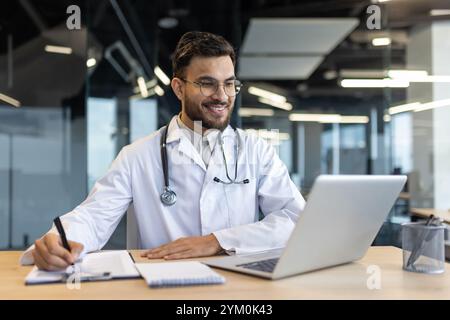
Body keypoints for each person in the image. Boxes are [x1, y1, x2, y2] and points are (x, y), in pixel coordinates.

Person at [21, 31, 305, 271]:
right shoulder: (138, 156)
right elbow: (94, 217)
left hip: (239, 285)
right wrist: (60, 239)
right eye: (207, 83)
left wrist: (216, 241)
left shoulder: (256, 151)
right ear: (179, 88)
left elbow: (294, 219)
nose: (221, 95)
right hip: (164, 285)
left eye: (229, 84)